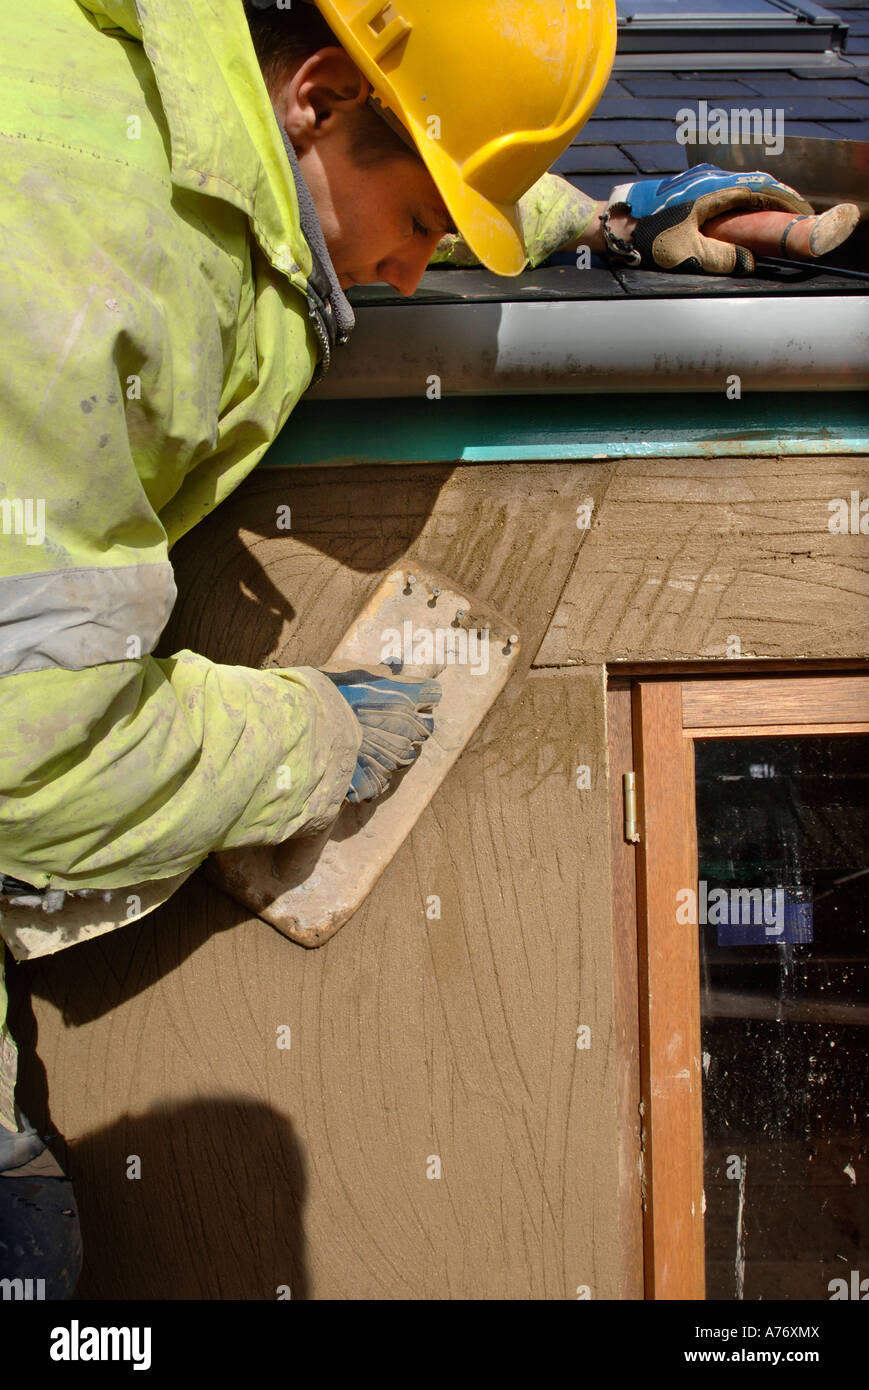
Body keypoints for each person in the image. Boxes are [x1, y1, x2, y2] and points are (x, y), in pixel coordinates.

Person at [0, 0, 859, 1297]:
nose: (415, 277)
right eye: (421, 229)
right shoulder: (81, 262)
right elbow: (30, 763)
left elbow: (367, 156)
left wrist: (608, 216)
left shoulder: (189, 67)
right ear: (322, 98)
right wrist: (317, 739)